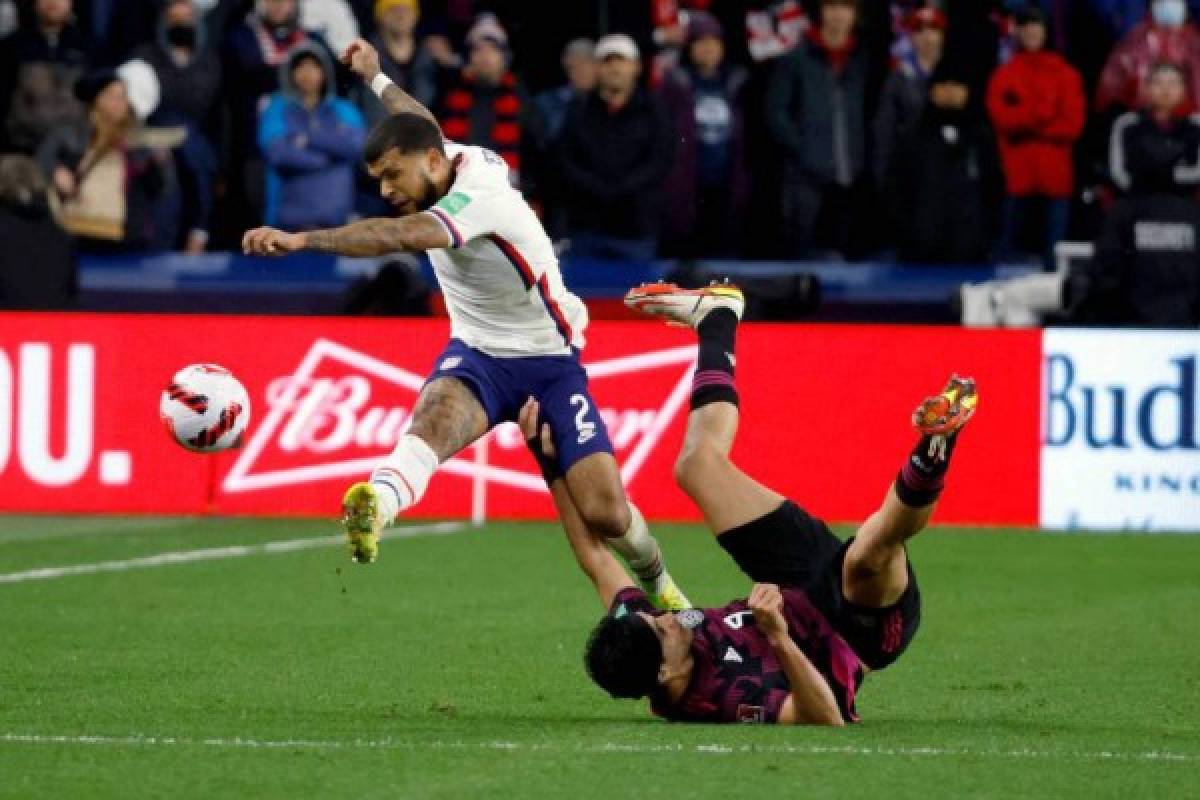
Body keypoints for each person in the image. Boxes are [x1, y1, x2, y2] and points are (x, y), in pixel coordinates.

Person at [241, 37, 691, 611]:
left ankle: (658, 577)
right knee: (434, 416)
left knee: (605, 511)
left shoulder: (479, 196)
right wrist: (378, 78)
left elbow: (399, 237)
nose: (385, 191)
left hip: (549, 360)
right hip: (478, 352)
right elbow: (418, 119)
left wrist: (302, 239)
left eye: (392, 176)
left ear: (431, 163)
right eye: (378, 179)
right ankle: (375, 505)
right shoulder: (446, 155)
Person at [518, 280, 977, 724]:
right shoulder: (718, 698)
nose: (666, 618)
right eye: (663, 630)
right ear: (663, 673)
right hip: (856, 634)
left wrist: (549, 464)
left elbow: (595, 558)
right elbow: (823, 716)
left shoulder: (637, 630)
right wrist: (777, 636)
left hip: (795, 585)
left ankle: (716, 318)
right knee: (869, 557)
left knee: (696, 466)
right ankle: (935, 447)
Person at [766, 0, 870, 258]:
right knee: (801, 255)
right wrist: (804, 149)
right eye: (832, 7)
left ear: (854, 15)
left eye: (845, 8)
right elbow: (776, 112)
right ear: (822, 12)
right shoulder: (796, 59)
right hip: (805, 178)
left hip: (850, 176)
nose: (838, 15)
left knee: (845, 261)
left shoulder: (862, 61)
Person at [557, 33, 675, 261]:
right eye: (608, 61)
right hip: (586, 227)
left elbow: (661, 160)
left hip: (636, 229)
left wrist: (622, 187)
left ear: (636, 67)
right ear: (598, 68)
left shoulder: (654, 111)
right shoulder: (578, 109)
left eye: (621, 60)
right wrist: (596, 187)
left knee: (636, 296)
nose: (615, 68)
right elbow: (565, 159)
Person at [37, 68, 181, 251]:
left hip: (126, 237)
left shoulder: (138, 139)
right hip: (77, 232)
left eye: (123, 96)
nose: (119, 103)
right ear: (96, 99)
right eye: (112, 95)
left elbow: (159, 189)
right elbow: (41, 163)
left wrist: (159, 165)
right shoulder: (69, 134)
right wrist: (55, 171)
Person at [987, 7, 1086, 267]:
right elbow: (1001, 118)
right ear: (1017, 31)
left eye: (1037, 25)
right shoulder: (1004, 75)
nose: (1031, 31)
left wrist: (1027, 123)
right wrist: (1041, 114)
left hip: (1055, 180)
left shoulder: (1066, 75)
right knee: (1005, 262)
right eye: (1026, 26)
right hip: (1016, 180)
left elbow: (1072, 125)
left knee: (1054, 262)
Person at [657, 12, 751, 258]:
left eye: (714, 41)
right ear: (690, 47)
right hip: (688, 186)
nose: (708, 48)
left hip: (727, 184)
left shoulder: (739, 81)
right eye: (701, 41)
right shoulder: (675, 83)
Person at [132, 0, 222, 254]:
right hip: (152, 136)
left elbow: (216, 112)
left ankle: (198, 233)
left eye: (187, 18)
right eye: (175, 18)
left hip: (194, 137)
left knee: (198, 157)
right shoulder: (145, 56)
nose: (181, 24)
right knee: (166, 177)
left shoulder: (209, 61)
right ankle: (161, 247)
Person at [259, 44, 366, 231]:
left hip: (337, 222)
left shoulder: (344, 110)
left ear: (325, 72)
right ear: (290, 73)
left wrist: (307, 139)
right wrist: (330, 158)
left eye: (314, 66)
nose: (307, 73)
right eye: (300, 66)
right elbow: (277, 153)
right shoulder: (276, 108)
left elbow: (357, 147)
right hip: (287, 223)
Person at [873, 6, 946, 251]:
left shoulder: (952, 75)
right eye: (920, 31)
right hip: (907, 174)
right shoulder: (898, 78)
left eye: (933, 30)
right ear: (911, 37)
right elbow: (885, 129)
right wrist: (882, 172)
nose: (927, 37)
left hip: (945, 175)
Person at [437, 15, 535, 183]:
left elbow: (534, 154)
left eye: (492, 49)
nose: (485, 56)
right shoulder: (450, 98)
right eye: (478, 50)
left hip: (508, 188)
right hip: (459, 185)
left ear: (504, 58)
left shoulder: (521, 100)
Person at [0, 0, 91, 154]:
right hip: (21, 153)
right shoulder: (10, 48)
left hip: (77, 152)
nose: (53, 1)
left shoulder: (89, 48)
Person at [1096, 0, 1200, 112]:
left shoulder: (1194, 41)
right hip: (1143, 116)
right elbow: (1112, 85)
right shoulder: (1137, 38)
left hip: (1187, 117)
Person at [352, 0, 437, 130]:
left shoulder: (430, 60)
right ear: (380, 15)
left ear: (416, 15)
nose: (401, 15)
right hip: (379, 141)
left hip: (424, 142)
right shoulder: (363, 58)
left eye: (407, 10)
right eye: (393, 9)